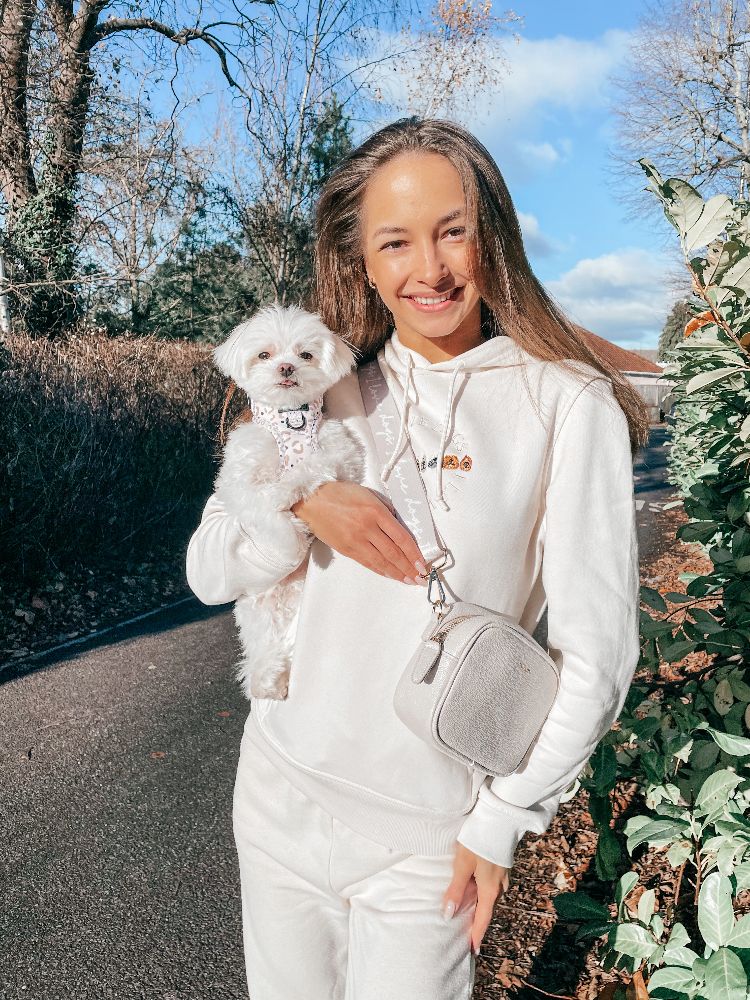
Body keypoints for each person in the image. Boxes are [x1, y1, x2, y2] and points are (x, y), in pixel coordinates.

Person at [185, 116, 648, 1000]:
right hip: (279, 798)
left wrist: (503, 820)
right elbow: (210, 571)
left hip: (429, 843)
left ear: (493, 237)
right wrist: (304, 503)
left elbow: (598, 655)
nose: (428, 269)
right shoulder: (317, 384)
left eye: (453, 231)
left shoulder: (566, 402)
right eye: (395, 241)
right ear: (361, 260)